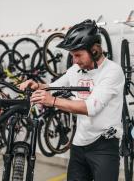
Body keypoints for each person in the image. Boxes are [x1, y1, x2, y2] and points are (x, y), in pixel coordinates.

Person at [19, 19, 125, 181]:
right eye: (72, 56)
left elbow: (91, 108)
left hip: (104, 145)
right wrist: (37, 86)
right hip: (79, 143)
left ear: (95, 50)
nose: (74, 61)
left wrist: (52, 101)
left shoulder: (112, 71)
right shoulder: (75, 70)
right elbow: (53, 87)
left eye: (78, 55)